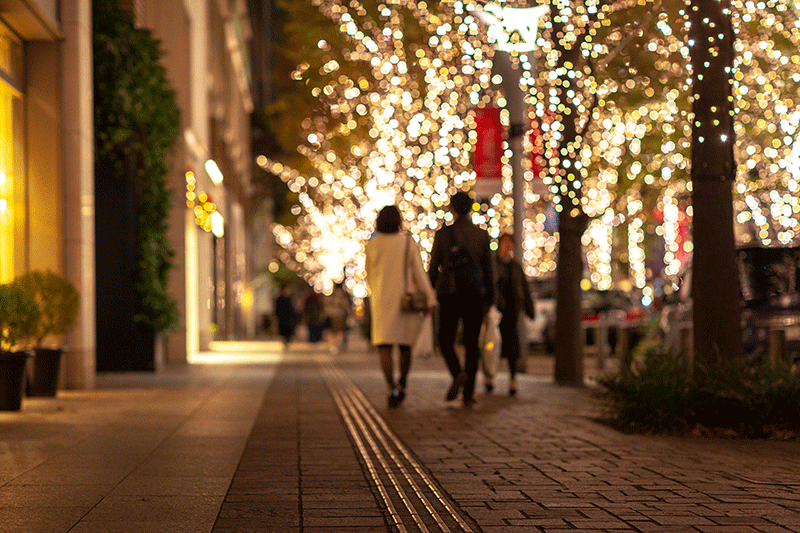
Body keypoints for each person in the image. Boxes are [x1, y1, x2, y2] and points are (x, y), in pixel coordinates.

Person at [365, 205, 436, 408]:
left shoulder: (372, 244)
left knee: (385, 347)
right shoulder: (406, 241)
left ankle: (390, 387)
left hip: (381, 301)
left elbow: (369, 274)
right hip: (405, 302)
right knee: (405, 346)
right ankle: (402, 384)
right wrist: (429, 299)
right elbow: (418, 271)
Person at [428, 191, 494, 406]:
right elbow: (488, 270)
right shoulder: (482, 235)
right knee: (472, 344)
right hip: (475, 295)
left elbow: (433, 267)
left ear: (452, 209)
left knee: (445, 340)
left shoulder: (443, 234)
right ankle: (468, 394)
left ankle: (458, 374)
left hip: (450, 294)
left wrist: (432, 290)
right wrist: (490, 298)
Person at [492, 233, 535, 396]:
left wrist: (529, 309)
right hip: (496, 311)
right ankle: (490, 376)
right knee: (492, 344)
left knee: (511, 345)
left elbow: (524, 288)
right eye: (504, 242)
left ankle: (512, 379)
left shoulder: (515, 266)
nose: (507, 246)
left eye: (510, 242)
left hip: (511, 311)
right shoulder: (493, 264)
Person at [325, 282, 352, 352]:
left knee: (333, 331)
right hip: (340, 314)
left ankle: (333, 345)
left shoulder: (332, 294)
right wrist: (349, 313)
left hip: (333, 314)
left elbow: (327, 303)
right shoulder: (343, 294)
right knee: (340, 330)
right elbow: (345, 304)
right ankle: (339, 344)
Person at [274, 284, 298, 348]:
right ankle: (285, 342)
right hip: (282, 319)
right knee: (284, 332)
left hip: (288, 319)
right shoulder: (279, 299)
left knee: (288, 332)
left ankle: (287, 341)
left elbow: (292, 309)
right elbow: (277, 309)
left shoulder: (289, 299)